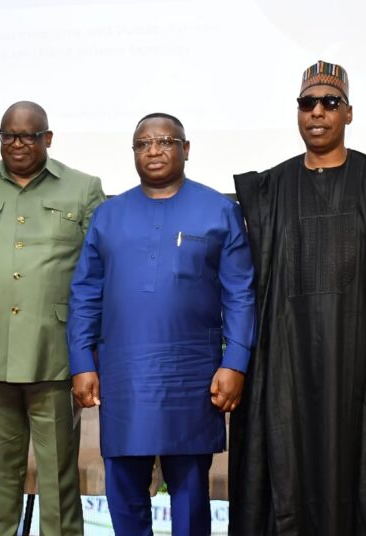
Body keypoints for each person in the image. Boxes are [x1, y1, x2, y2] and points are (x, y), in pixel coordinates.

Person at [228, 61, 366, 535]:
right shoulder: (268, 190)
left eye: (330, 102)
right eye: (307, 103)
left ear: (349, 112)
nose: (317, 112)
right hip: (287, 369)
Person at [68, 112, 256, 536]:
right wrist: (82, 362)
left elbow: (241, 294)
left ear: (185, 149)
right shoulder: (109, 215)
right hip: (125, 374)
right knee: (124, 489)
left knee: (191, 492)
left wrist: (236, 362)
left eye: (165, 141)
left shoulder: (220, 210)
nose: (153, 151)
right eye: (143, 144)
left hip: (193, 374)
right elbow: (84, 294)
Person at [0, 101, 105, 535]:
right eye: (8, 135)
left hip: (56, 356)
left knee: (60, 482)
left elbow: (101, 270)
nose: (18, 144)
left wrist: (92, 351)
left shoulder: (83, 189)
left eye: (28, 136)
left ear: (48, 138)